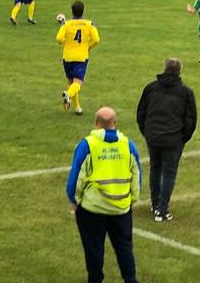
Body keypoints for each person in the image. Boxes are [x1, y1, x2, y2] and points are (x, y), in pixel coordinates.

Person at [67, 107, 141, 283]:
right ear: (114, 123)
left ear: (96, 123)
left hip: (93, 209)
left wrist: (74, 199)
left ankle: (95, 279)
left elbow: (76, 178)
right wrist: (133, 200)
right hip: (121, 209)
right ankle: (130, 279)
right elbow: (136, 176)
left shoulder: (88, 145)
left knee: (93, 249)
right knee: (124, 248)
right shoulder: (128, 145)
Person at [136, 58, 197, 223]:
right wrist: (183, 138)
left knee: (155, 168)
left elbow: (141, 112)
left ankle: (155, 204)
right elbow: (191, 119)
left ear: (164, 69)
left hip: (153, 136)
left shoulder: (151, 88)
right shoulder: (186, 92)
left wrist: (147, 132)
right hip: (173, 139)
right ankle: (162, 210)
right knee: (169, 173)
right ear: (179, 71)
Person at [57, 1, 100, 115]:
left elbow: (59, 39)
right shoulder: (89, 24)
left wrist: (67, 41)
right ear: (83, 11)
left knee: (71, 81)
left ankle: (77, 107)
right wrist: (87, 47)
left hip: (67, 57)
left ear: (72, 11)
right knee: (78, 82)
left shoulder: (67, 24)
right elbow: (96, 40)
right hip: (81, 57)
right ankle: (68, 95)